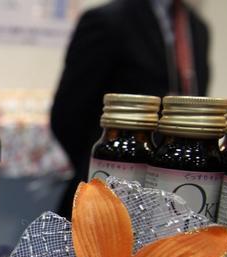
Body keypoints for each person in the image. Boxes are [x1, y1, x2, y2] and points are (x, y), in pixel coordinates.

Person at [51, 0, 209, 219]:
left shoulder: (196, 27)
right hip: (110, 190)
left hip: (175, 194)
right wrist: (105, 163)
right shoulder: (108, 20)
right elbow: (67, 113)